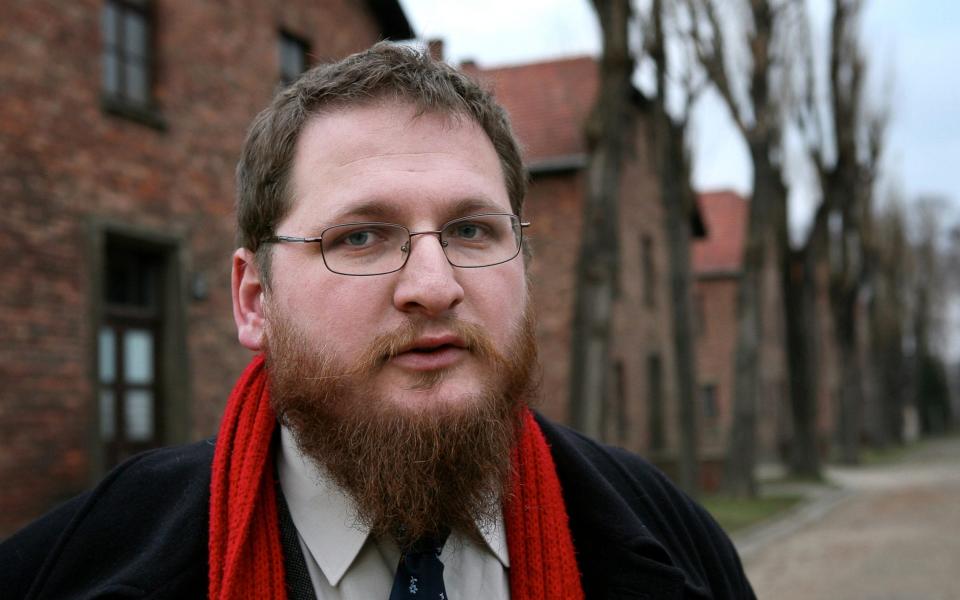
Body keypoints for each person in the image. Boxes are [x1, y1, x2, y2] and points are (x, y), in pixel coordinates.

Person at [1, 43, 755, 599]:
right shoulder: (71, 569)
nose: (434, 286)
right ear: (253, 300)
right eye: (360, 237)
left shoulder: (674, 546)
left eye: (471, 231)